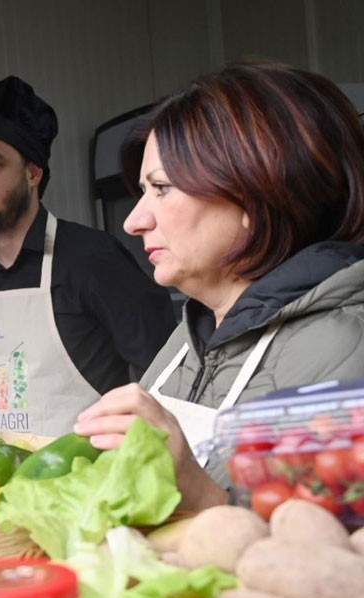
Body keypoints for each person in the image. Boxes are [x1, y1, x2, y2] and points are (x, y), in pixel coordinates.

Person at [74, 60, 364, 511]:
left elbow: (327, 567)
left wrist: (200, 493)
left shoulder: (346, 349)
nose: (133, 221)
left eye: (162, 188)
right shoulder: (191, 335)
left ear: (254, 192)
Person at [0, 75, 176, 437]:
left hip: (93, 479)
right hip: (4, 486)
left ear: (32, 173)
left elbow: (168, 370)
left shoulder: (92, 259)